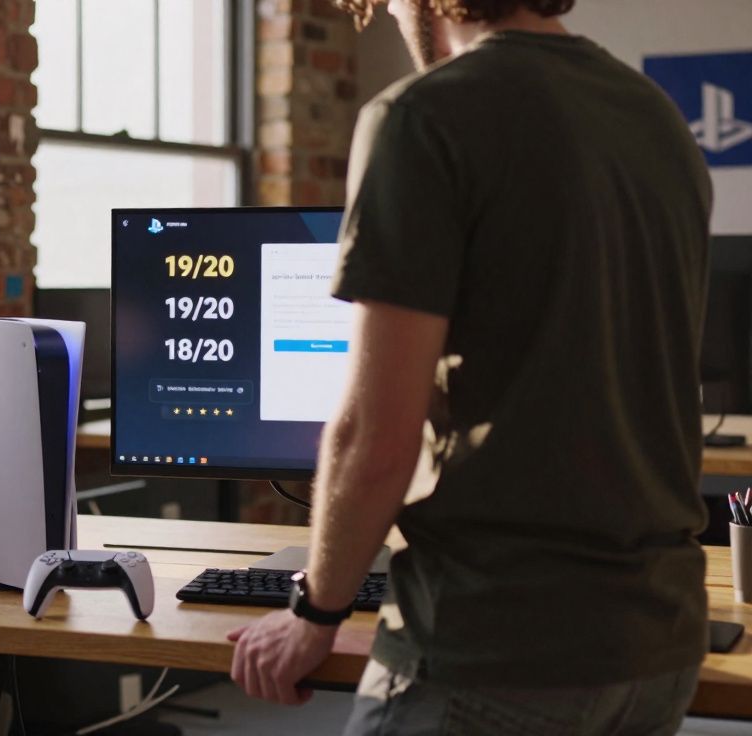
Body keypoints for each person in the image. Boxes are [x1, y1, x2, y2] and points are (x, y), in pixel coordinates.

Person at [227, 0, 713, 733]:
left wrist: (314, 612)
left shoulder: (424, 114)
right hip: (656, 648)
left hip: (494, 648)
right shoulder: (657, 118)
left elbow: (374, 435)